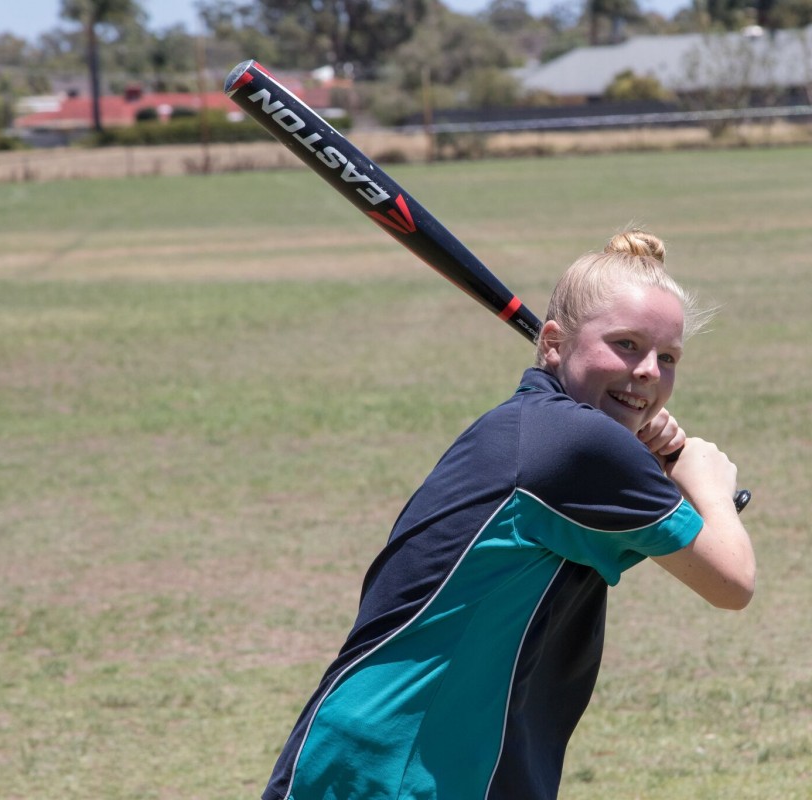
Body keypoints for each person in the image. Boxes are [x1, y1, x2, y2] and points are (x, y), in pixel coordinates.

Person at [262, 229, 755, 800]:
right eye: (625, 344)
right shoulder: (574, 443)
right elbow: (731, 582)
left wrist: (647, 460)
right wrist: (707, 482)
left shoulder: (532, 426)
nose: (648, 371)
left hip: (398, 755)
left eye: (666, 357)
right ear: (552, 343)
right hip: (398, 767)